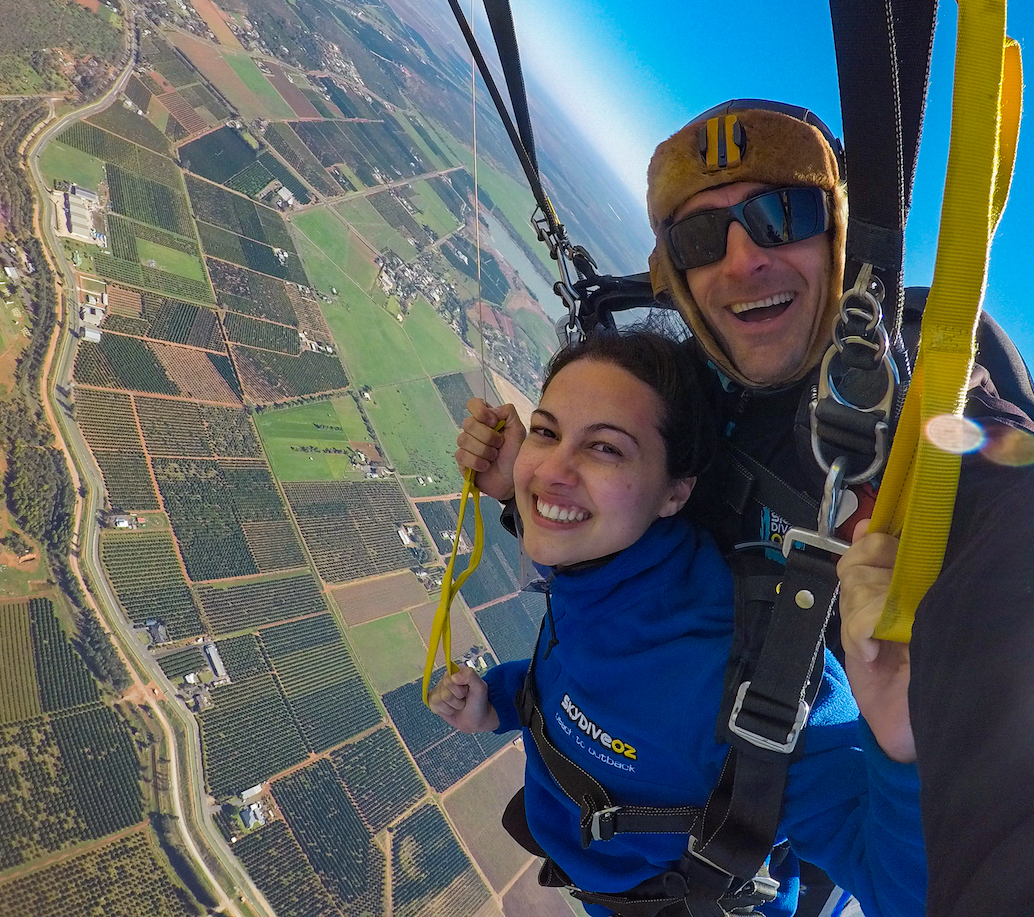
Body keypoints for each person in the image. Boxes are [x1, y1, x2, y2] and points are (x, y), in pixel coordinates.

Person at [456, 101, 1034, 917]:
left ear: (841, 239)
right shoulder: (696, 394)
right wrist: (529, 482)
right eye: (699, 239)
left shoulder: (935, 440)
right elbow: (638, 535)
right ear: (676, 277)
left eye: (780, 214)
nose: (740, 260)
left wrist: (903, 737)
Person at [430, 330, 923, 916]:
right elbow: (578, 673)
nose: (554, 470)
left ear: (676, 493)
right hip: (611, 886)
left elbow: (906, 899)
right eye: (547, 431)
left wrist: (901, 738)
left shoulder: (752, 678)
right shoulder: (598, 570)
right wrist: (500, 702)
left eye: (606, 448)